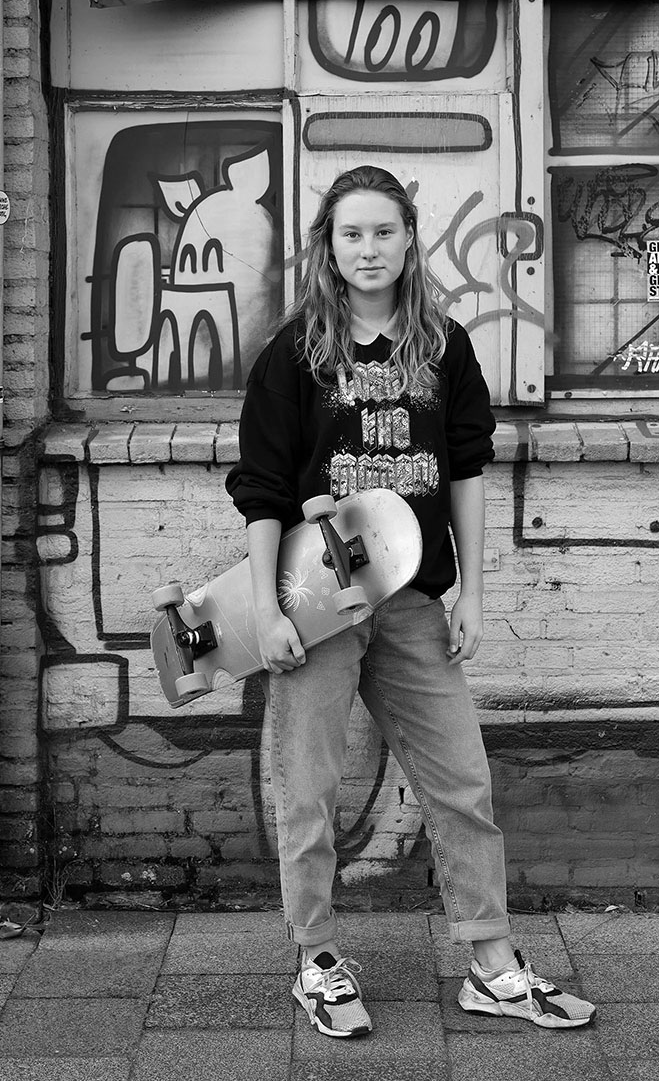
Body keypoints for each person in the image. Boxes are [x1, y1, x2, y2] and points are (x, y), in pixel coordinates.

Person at [226, 165, 595, 1039]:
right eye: (351, 233)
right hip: (316, 602)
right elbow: (263, 488)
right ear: (328, 241)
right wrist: (265, 608)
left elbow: (465, 467)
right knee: (309, 787)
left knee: (461, 781)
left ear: (408, 239)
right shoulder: (295, 351)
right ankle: (316, 958)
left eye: (383, 232)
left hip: (415, 601)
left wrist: (473, 586)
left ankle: (491, 962)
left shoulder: (443, 345)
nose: (367, 250)